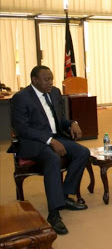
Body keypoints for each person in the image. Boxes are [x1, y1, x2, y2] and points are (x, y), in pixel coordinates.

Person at [11, 65, 90, 235]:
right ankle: (54, 214)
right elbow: (22, 129)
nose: (50, 82)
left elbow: (59, 119)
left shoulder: (54, 92)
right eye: (46, 79)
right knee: (52, 159)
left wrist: (72, 123)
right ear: (34, 80)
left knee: (83, 152)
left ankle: (64, 195)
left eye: (51, 79)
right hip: (34, 142)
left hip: (56, 137)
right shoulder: (21, 98)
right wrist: (50, 141)